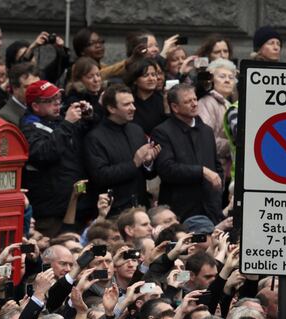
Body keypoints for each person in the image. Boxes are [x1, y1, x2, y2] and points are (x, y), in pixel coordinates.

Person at [20, 79, 92, 236]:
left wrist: (87, 116)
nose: (57, 104)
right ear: (35, 106)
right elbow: (45, 153)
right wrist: (68, 123)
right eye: (50, 101)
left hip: (77, 206)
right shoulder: (28, 129)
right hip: (51, 214)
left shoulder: (59, 121)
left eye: (58, 99)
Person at [84, 84, 159, 217]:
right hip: (115, 213)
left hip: (141, 207)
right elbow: (100, 176)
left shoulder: (136, 130)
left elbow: (148, 174)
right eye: (127, 105)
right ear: (111, 108)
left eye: (133, 103)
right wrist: (134, 163)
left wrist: (148, 163)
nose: (133, 108)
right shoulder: (95, 138)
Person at [152, 83, 224, 224]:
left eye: (195, 99)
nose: (194, 104)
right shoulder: (162, 132)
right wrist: (201, 171)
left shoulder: (206, 131)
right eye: (187, 101)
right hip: (180, 209)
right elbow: (167, 169)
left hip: (210, 208)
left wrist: (217, 191)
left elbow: (216, 165)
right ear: (175, 107)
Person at [197, 59, 236, 177]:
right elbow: (205, 139)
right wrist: (233, 145)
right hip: (212, 170)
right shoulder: (206, 102)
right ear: (212, 80)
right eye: (222, 76)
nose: (227, 80)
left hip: (226, 171)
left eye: (231, 77)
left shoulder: (229, 104)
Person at [124, 58, 167, 136]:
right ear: (135, 80)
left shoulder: (162, 100)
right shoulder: (129, 101)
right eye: (145, 75)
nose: (151, 79)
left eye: (153, 75)